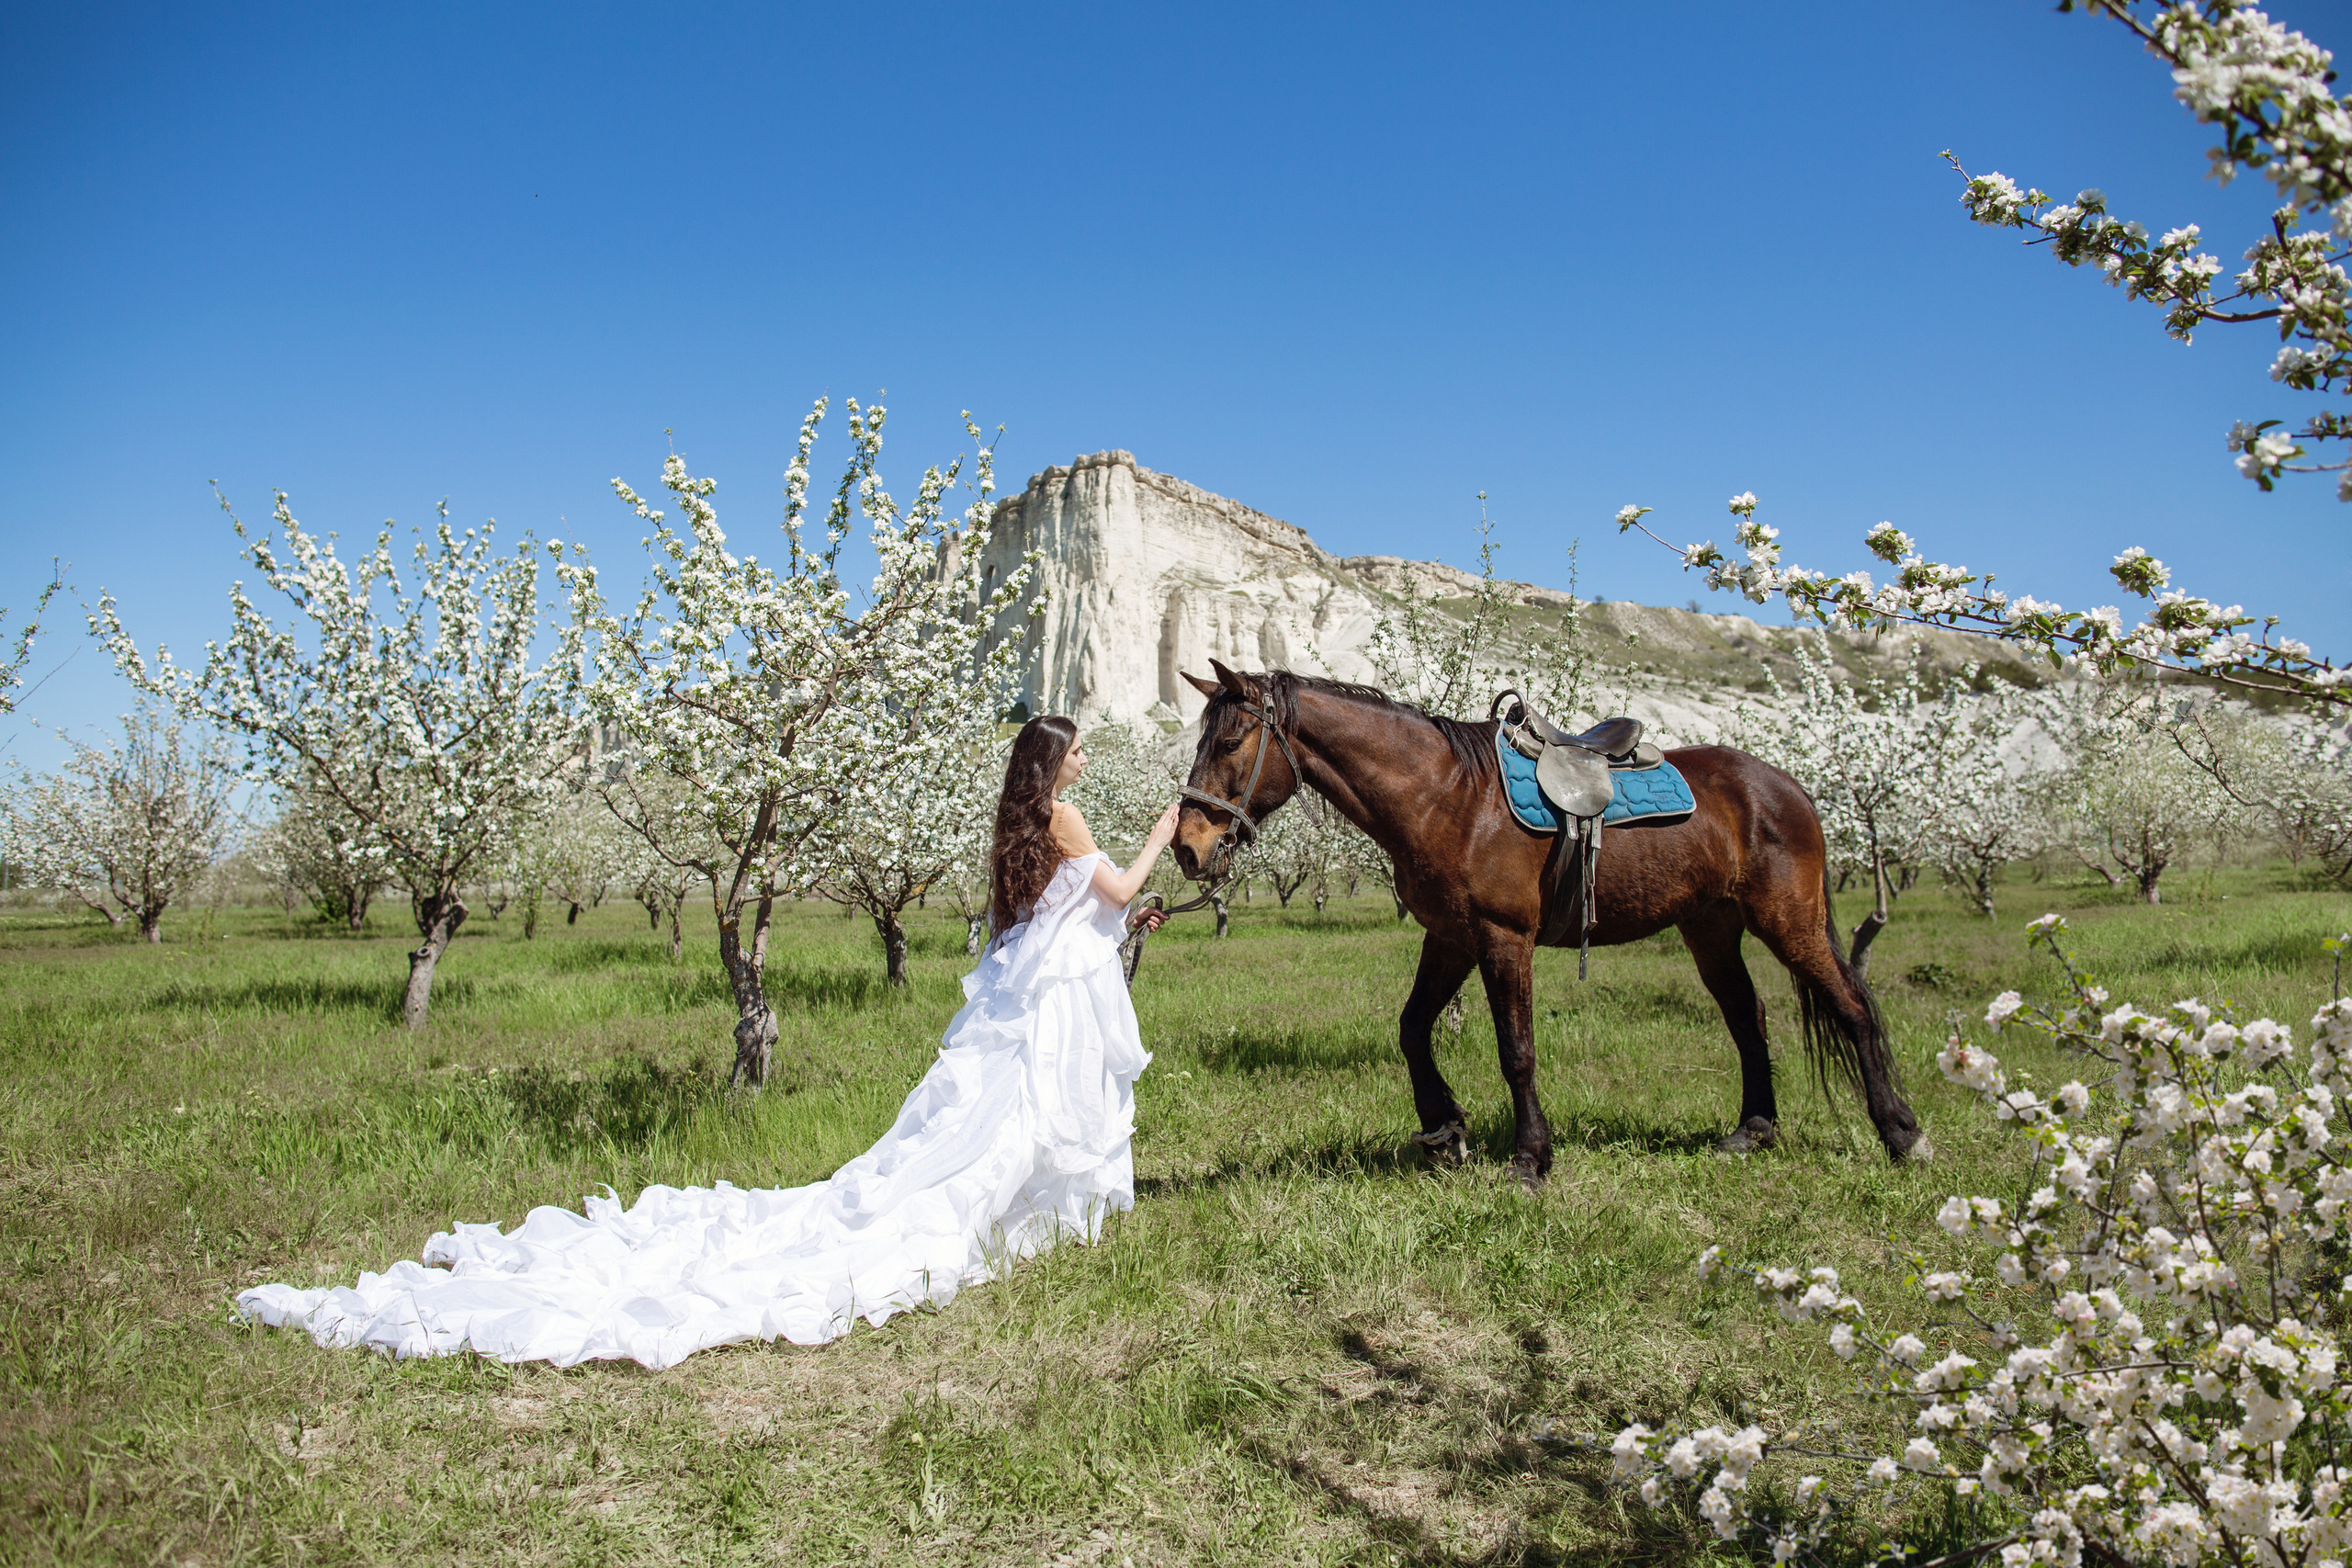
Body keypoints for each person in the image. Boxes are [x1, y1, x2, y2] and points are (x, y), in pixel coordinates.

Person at [237, 716, 1182, 1368]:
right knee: (1024, 1119)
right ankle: (1016, 1221)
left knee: (1002, 1119)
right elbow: (1108, 893)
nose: (1088, 759)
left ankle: (1018, 1216)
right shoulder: (1066, 814)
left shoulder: (1021, 823)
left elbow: (1056, 915)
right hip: (1043, 1005)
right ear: (1053, 762)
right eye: (1081, 750)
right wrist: (1163, 830)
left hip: (1029, 997)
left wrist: (1129, 910)